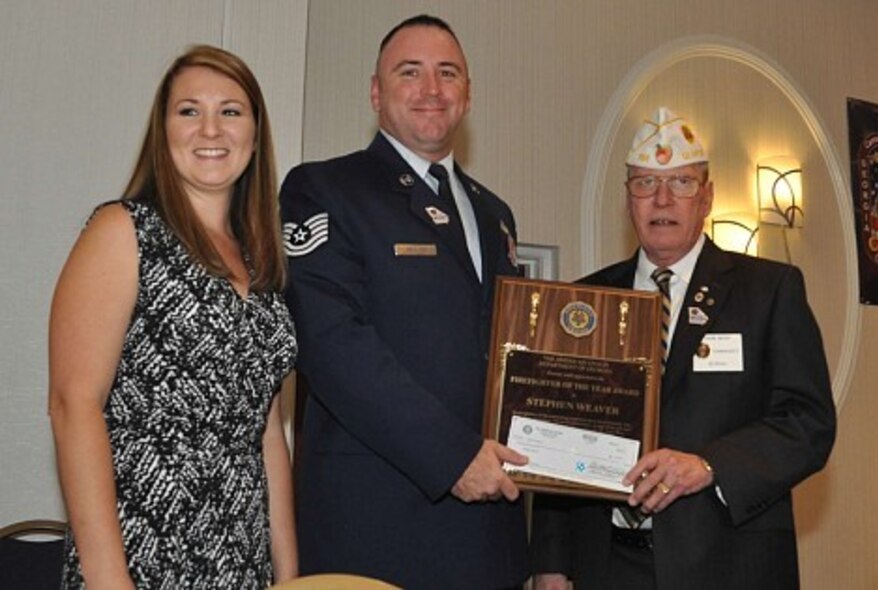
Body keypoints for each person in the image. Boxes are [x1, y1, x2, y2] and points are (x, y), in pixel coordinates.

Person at [531, 107, 837, 590]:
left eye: (681, 183)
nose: (662, 199)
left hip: (728, 564)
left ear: (708, 196)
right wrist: (550, 561)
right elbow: (559, 429)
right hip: (606, 566)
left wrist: (709, 465)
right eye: (645, 184)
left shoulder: (768, 290)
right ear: (628, 200)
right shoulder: (587, 301)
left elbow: (809, 423)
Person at [280, 14, 529, 589]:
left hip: (491, 537)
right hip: (376, 529)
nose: (431, 89)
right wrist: (452, 457)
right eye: (409, 72)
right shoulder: (323, 189)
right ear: (376, 92)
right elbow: (332, 343)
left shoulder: (496, 215)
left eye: (448, 74)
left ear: (467, 95)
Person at [49, 45, 298, 588]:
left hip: (241, 558)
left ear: (255, 135)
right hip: (140, 553)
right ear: (162, 132)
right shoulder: (122, 230)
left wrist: (289, 575)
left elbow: (267, 435)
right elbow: (73, 406)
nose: (211, 129)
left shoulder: (264, 263)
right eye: (189, 111)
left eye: (231, 111)